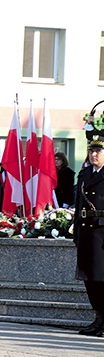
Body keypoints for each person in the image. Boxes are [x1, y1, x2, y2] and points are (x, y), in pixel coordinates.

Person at [73, 139, 104, 337]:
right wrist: (76, 231)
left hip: (102, 232)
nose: (94, 155)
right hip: (86, 231)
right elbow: (78, 204)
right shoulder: (84, 174)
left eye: (99, 151)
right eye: (91, 151)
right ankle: (99, 317)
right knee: (90, 279)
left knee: (103, 278)